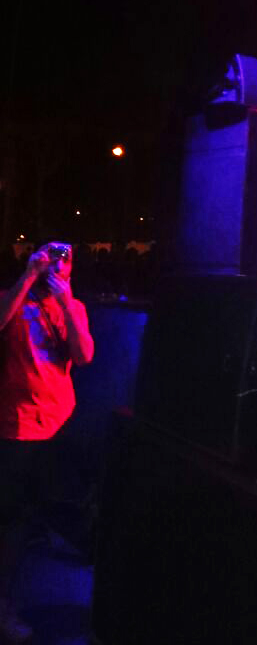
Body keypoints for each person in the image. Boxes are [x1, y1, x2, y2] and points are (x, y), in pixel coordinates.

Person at [0, 243, 94, 644]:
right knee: (12, 520)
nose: (57, 264)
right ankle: (4, 607)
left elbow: (84, 355)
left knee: (52, 507)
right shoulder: (14, 296)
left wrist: (65, 301)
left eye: (64, 259)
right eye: (50, 257)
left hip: (58, 423)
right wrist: (28, 276)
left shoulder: (72, 305)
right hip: (17, 424)